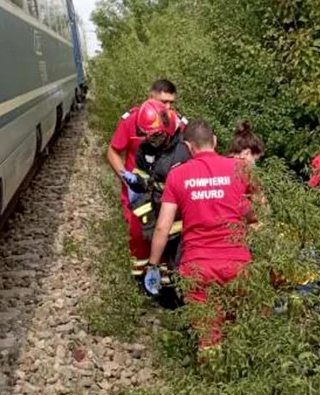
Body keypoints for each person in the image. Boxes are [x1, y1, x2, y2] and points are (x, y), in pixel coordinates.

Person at [148, 119, 255, 356]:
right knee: (239, 329)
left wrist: (153, 265)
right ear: (215, 141)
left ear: (188, 146)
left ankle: (212, 381)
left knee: (208, 338)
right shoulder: (241, 169)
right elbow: (257, 213)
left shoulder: (177, 176)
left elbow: (162, 228)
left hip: (197, 267)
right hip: (237, 263)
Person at [106, 80, 187, 276]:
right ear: (150, 97)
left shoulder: (177, 123)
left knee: (169, 236)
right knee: (139, 239)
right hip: (138, 193)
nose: (168, 107)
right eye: (163, 101)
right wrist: (125, 176)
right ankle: (142, 284)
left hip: (165, 194)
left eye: (171, 103)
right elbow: (113, 151)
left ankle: (167, 284)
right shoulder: (131, 120)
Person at [122, 99, 191, 300]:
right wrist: (147, 220)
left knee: (184, 270)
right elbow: (143, 185)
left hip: (185, 222)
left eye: (157, 136)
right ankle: (172, 302)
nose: (153, 141)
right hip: (161, 220)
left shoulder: (184, 149)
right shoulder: (145, 151)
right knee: (168, 269)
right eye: (148, 137)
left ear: (168, 127)